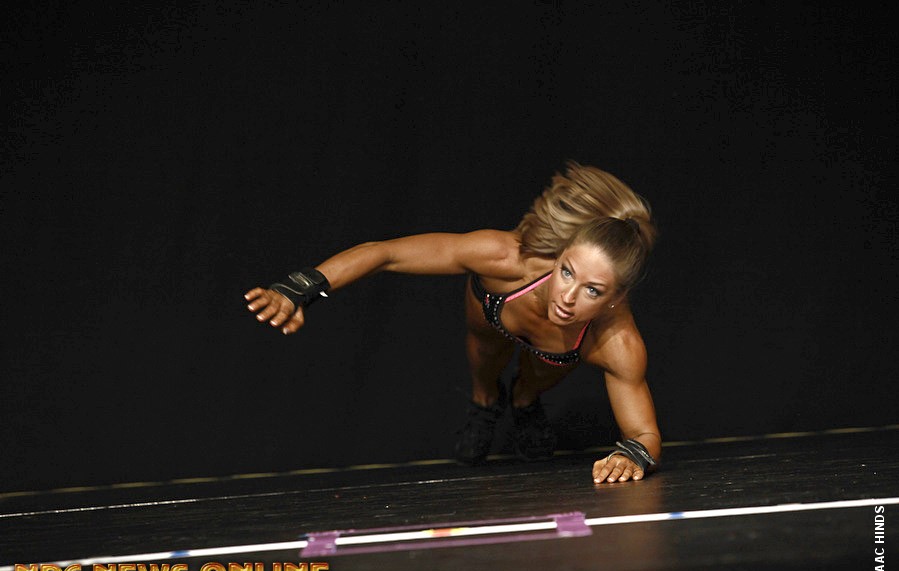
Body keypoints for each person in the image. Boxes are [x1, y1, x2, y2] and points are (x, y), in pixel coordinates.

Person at [245, 163, 661, 484]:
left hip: (556, 349)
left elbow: (644, 433)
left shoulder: (616, 342)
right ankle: (485, 401)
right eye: (567, 272)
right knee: (486, 360)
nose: (568, 297)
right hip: (494, 313)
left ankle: (523, 402)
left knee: (535, 378)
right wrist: (300, 287)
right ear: (561, 254)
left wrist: (632, 456)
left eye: (593, 290)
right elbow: (385, 253)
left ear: (616, 298)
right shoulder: (506, 259)